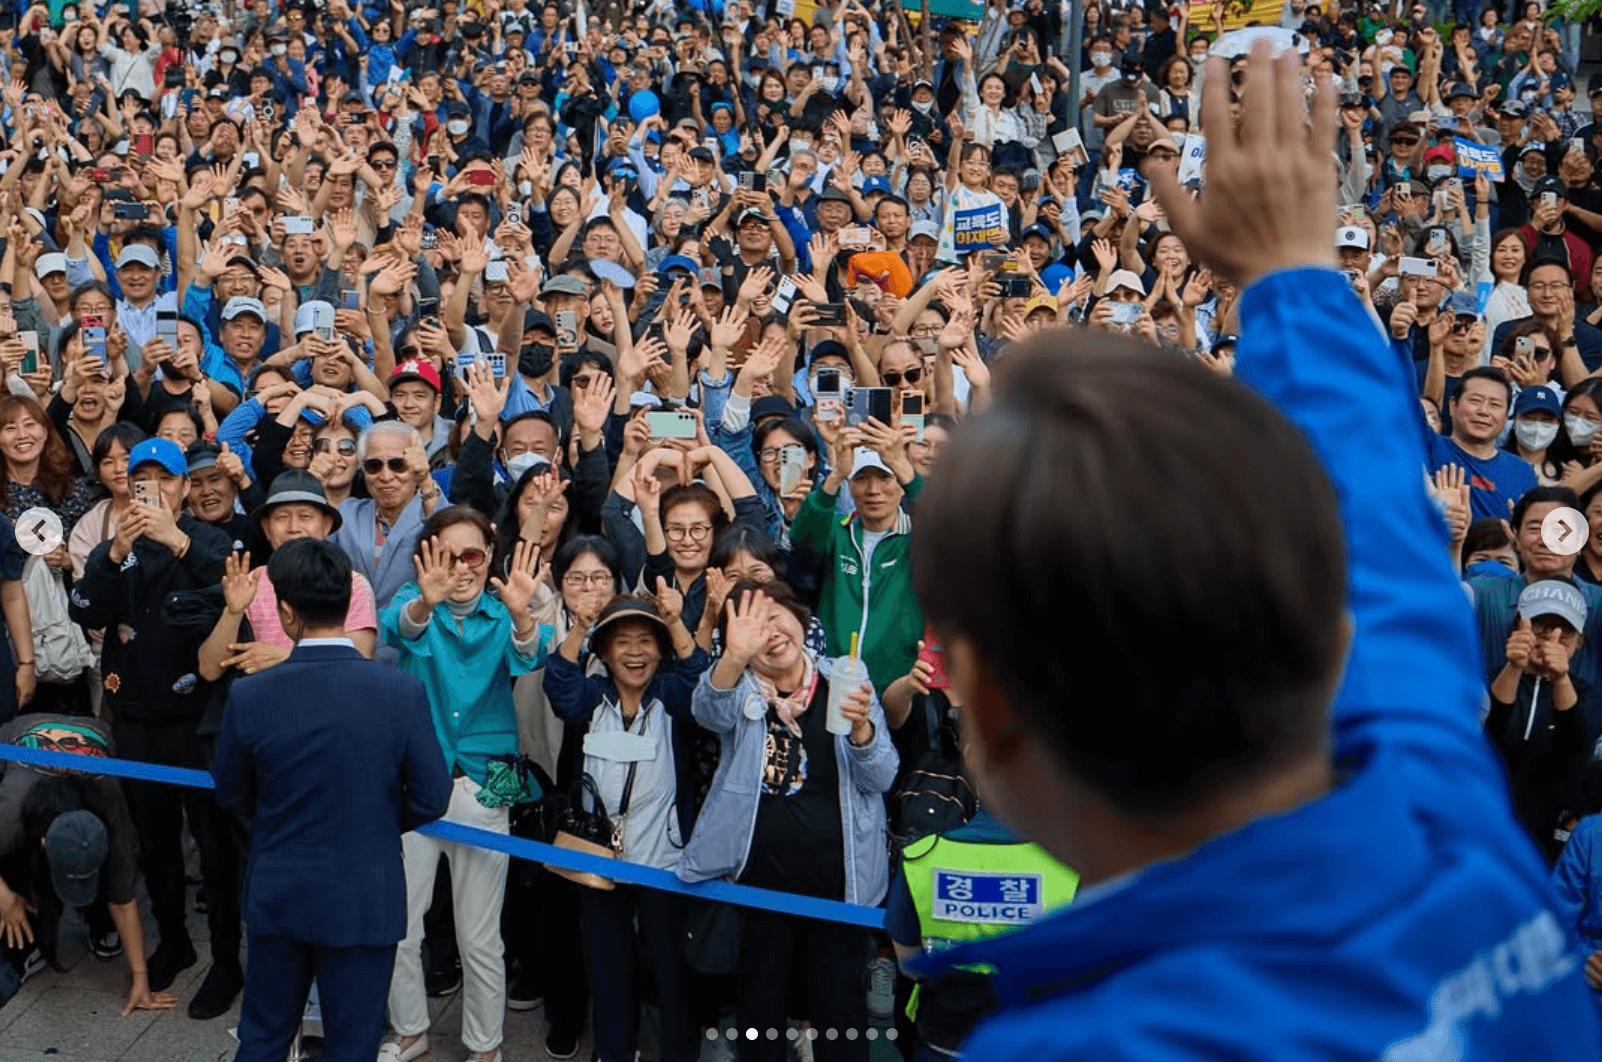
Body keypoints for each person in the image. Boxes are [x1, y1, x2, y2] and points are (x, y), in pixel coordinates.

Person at [904, 44, 1601, 1059]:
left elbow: (1377, 557)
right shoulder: (1445, 826)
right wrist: (1292, 279)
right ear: (1316, 644)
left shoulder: (1107, 1044)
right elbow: (1379, 547)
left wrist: (1291, 282)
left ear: (989, 709)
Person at [213, 539, 452, 1062]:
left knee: (263, 1036)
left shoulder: (251, 694)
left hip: (280, 885)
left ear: (287, 612)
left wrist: (276, 820)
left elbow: (231, 791)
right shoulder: (398, 692)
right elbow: (434, 796)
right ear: (349, 603)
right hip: (365, 891)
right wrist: (377, 819)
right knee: (353, 1044)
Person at [679, 581, 897, 1062]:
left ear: (802, 619)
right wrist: (733, 657)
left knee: (841, 1019)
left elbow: (881, 775)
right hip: (759, 888)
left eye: (778, 615)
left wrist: (862, 728)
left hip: (841, 891)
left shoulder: (848, 679)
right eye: (753, 625)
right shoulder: (741, 692)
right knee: (760, 1017)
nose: (771, 632)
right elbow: (706, 711)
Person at [377, 508, 551, 1062]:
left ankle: (485, 1044)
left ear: (489, 558)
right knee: (402, 925)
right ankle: (410, 1030)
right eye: (446, 555)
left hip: (487, 782)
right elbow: (397, 627)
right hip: (414, 781)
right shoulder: (415, 603)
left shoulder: (505, 613)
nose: (460, 567)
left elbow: (531, 653)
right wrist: (424, 601)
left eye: (471, 555)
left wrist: (523, 617)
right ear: (426, 558)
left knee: (480, 935)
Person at [67, 436, 232, 995]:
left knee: (214, 843)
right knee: (154, 841)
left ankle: (228, 958)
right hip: (134, 716)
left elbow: (235, 592)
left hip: (200, 718)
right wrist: (113, 555)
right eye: (143, 481)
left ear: (185, 487)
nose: (154, 490)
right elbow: (84, 607)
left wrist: (179, 543)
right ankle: (175, 941)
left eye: (166, 479)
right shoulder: (115, 547)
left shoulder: (207, 538)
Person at [0, 714, 176, 1016]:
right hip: (16, 743)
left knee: (113, 880)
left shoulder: (114, 817)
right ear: (43, 842)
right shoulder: (11, 813)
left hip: (95, 729)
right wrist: (5, 899)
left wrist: (141, 980)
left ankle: (99, 924)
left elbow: (123, 902)